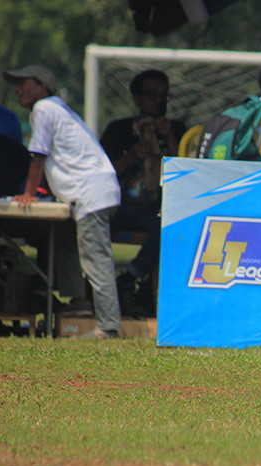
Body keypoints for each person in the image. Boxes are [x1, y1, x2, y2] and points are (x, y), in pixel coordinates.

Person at [5, 64, 122, 338]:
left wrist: (29, 193)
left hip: (92, 194)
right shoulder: (59, 109)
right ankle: (79, 304)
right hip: (91, 193)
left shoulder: (44, 108)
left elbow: (38, 155)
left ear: (42, 87)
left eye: (25, 83)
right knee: (68, 241)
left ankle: (108, 326)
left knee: (97, 260)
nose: (18, 89)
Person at [100, 69, 187, 315]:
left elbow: (188, 171)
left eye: (163, 96)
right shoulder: (118, 130)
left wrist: (169, 137)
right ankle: (99, 290)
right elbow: (101, 173)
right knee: (93, 225)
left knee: (172, 227)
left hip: (154, 208)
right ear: (137, 97)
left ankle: (130, 278)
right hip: (120, 204)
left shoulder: (177, 129)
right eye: (151, 94)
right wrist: (131, 157)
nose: (157, 101)